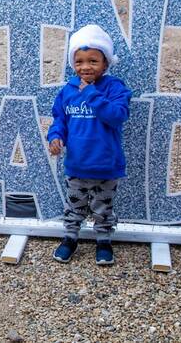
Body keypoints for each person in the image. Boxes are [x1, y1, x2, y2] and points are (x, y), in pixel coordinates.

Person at [46, 24, 132, 265]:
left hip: (106, 165)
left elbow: (117, 116)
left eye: (93, 61)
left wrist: (91, 94)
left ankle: (103, 242)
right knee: (74, 208)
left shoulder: (115, 88)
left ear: (105, 63)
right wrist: (55, 137)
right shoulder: (68, 91)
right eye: (80, 61)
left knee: (103, 209)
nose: (86, 67)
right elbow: (59, 119)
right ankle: (70, 239)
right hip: (76, 165)